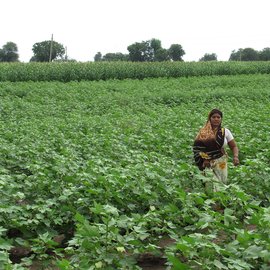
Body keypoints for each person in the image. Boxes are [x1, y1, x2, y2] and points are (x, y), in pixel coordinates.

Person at [193, 109, 239, 190]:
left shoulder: (225, 132)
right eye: (214, 117)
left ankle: (219, 201)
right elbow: (197, 148)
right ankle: (212, 201)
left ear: (221, 119)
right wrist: (205, 159)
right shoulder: (203, 132)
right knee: (210, 185)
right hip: (207, 163)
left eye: (218, 117)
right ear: (209, 118)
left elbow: (234, 146)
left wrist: (235, 156)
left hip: (221, 161)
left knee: (222, 183)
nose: (216, 119)